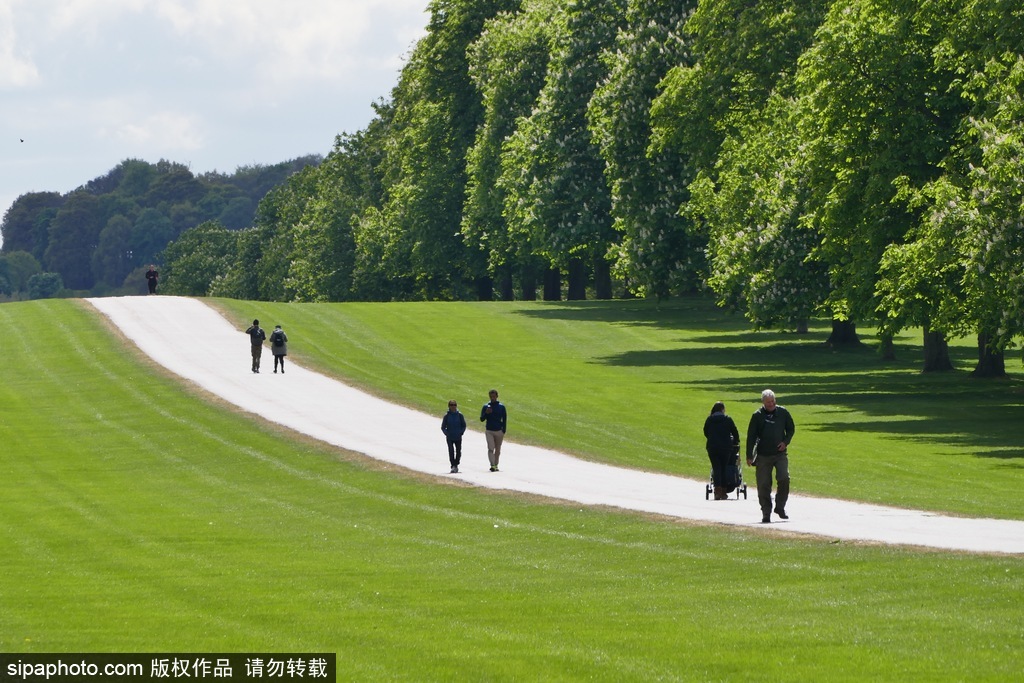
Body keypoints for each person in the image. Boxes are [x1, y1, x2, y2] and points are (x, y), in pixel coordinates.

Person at [745, 389, 796, 523]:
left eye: (773, 401)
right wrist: (749, 455)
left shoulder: (783, 413)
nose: (771, 404)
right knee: (763, 485)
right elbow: (751, 436)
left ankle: (780, 507)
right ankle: (766, 512)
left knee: (784, 478)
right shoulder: (757, 416)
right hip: (763, 455)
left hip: (780, 454)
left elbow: (791, 429)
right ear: (763, 403)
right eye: (768, 402)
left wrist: (785, 442)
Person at [703, 401, 740, 500]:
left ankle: (717, 491)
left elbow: (705, 432)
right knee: (724, 468)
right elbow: (735, 432)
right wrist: (735, 441)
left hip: (713, 447)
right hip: (726, 447)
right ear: (722, 409)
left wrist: (712, 438)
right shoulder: (727, 419)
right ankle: (723, 491)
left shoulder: (709, 420)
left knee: (716, 468)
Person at [480, 389, 507, 472]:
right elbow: (482, 419)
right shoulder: (486, 406)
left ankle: (496, 464)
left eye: (494, 396)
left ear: (497, 396)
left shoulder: (501, 407)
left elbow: (504, 419)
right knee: (491, 448)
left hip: (499, 431)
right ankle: (492, 465)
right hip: (489, 431)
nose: (492, 398)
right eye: (491, 397)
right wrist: (486, 413)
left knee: (498, 449)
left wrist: (503, 430)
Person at [441, 400, 467, 473]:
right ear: (449, 406)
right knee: (451, 451)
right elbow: (443, 427)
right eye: (451, 405)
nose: (453, 406)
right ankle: (453, 465)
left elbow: (464, 425)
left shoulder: (459, 415)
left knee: (458, 451)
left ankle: (456, 464)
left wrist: (461, 432)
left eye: (454, 405)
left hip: (458, 436)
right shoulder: (446, 416)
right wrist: (447, 433)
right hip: (450, 437)